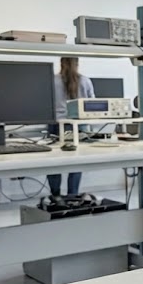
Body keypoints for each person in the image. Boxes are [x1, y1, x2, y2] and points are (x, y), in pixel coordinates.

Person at [48, 57, 95, 196]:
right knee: (76, 162)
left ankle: (55, 196)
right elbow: (92, 105)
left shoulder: (52, 80)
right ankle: (73, 196)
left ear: (61, 64)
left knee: (53, 163)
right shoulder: (85, 81)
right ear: (77, 64)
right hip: (78, 126)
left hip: (56, 125)